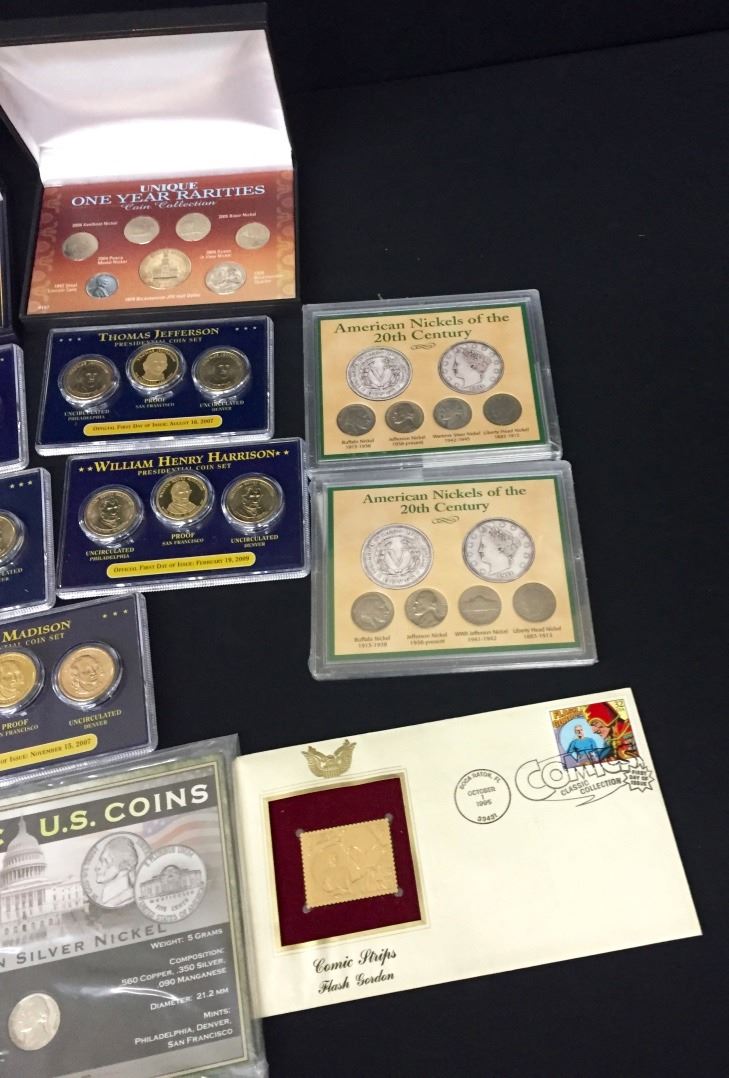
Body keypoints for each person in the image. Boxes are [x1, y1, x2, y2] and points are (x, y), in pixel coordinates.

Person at [94, 836, 140, 907]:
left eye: (106, 862)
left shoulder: (127, 901)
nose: (97, 867)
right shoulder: (106, 903)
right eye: (100, 861)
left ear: (125, 868)